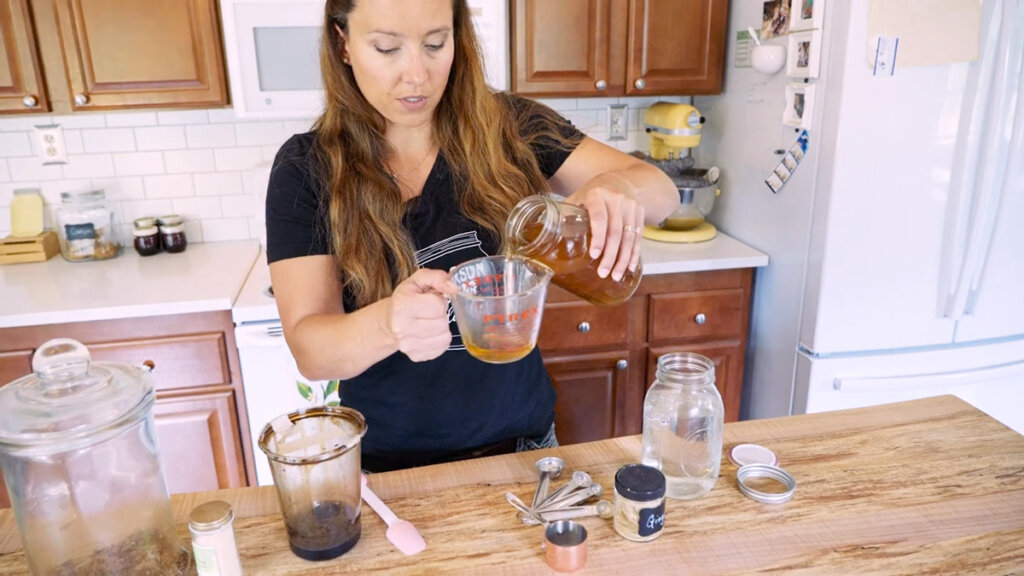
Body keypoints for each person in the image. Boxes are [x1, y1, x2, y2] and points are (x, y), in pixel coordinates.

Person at [266, 0, 678, 472]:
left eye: (435, 44)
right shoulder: (307, 168)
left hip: (527, 449)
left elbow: (662, 192)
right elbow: (311, 350)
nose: (417, 75)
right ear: (343, 44)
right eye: (387, 48)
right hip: (393, 469)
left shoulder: (509, 126)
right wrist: (388, 324)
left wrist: (618, 186)